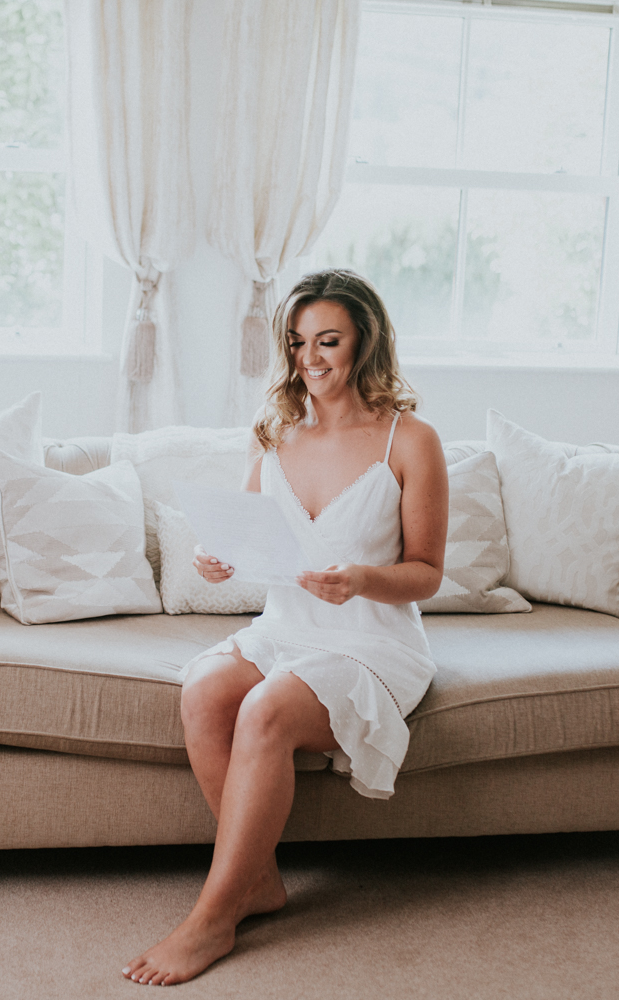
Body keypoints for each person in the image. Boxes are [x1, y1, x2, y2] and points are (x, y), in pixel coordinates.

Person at [122, 269, 449, 986]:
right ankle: (260, 881)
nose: (312, 358)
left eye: (329, 340)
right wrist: (216, 559)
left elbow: (426, 572)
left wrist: (361, 578)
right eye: (298, 343)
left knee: (266, 708)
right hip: (288, 627)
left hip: (371, 640)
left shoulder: (410, 439)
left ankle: (211, 919)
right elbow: (248, 538)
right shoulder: (274, 428)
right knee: (205, 689)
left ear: (366, 340)